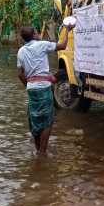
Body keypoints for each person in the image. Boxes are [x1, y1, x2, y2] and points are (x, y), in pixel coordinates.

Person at [17, 22, 74, 156]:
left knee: (35, 119)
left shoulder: (21, 51)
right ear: (34, 35)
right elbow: (63, 46)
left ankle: (38, 150)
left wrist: (29, 85)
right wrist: (67, 29)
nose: (38, 34)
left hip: (31, 89)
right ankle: (42, 152)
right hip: (44, 88)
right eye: (36, 32)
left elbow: (20, 74)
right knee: (47, 121)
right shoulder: (42, 44)